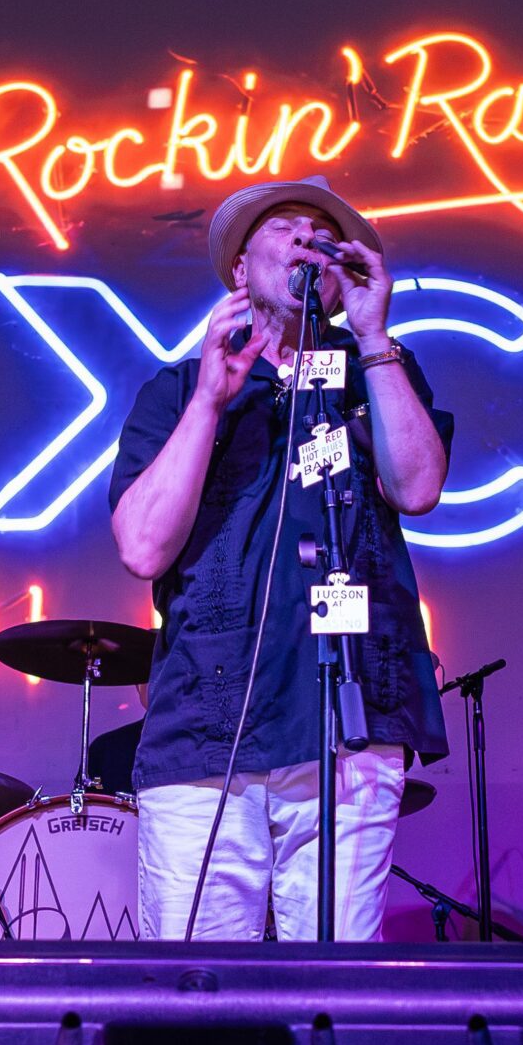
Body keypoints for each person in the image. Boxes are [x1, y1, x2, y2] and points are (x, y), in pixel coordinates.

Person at [108, 176, 450, 941]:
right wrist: (209, 401)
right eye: (287, 226)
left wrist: (370, 336)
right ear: (239, 269)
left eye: (324, 235)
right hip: (207, 727)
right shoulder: (176, 391)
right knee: (195, 1001)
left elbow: (419, 486)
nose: (308, 239)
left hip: (348, 716)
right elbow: (141, 545)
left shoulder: (378, 372)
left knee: (332, 997)